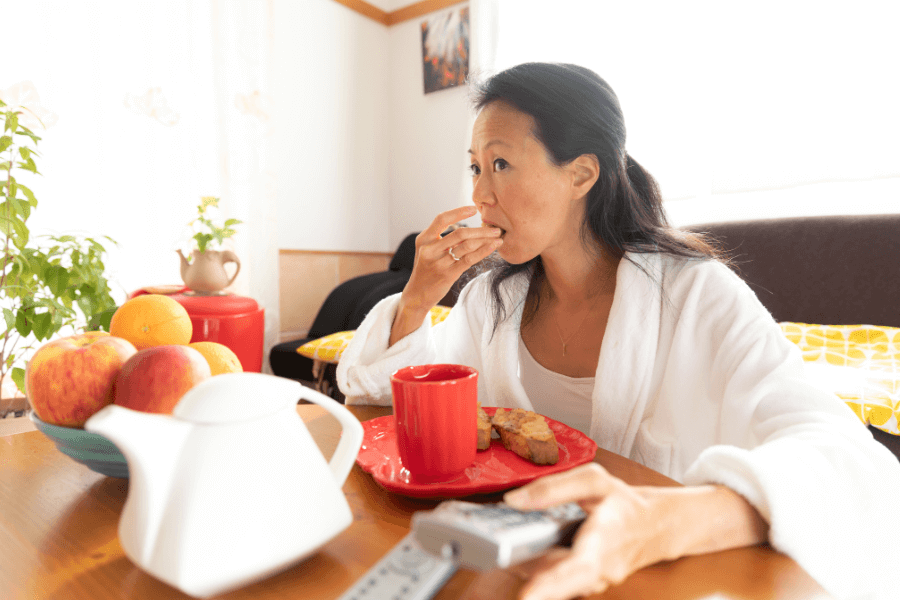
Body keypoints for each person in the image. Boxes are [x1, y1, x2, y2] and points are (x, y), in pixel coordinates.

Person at [337, 62, 900, 600]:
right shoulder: (491, 299)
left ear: (581, 173)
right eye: (476, 168)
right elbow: (398, 412)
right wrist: (416, 298)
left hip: (670, 576)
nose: (480, 195)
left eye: (501, 164)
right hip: (522, 571)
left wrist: (665, 521)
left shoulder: (695, 295)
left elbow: (858, 470)